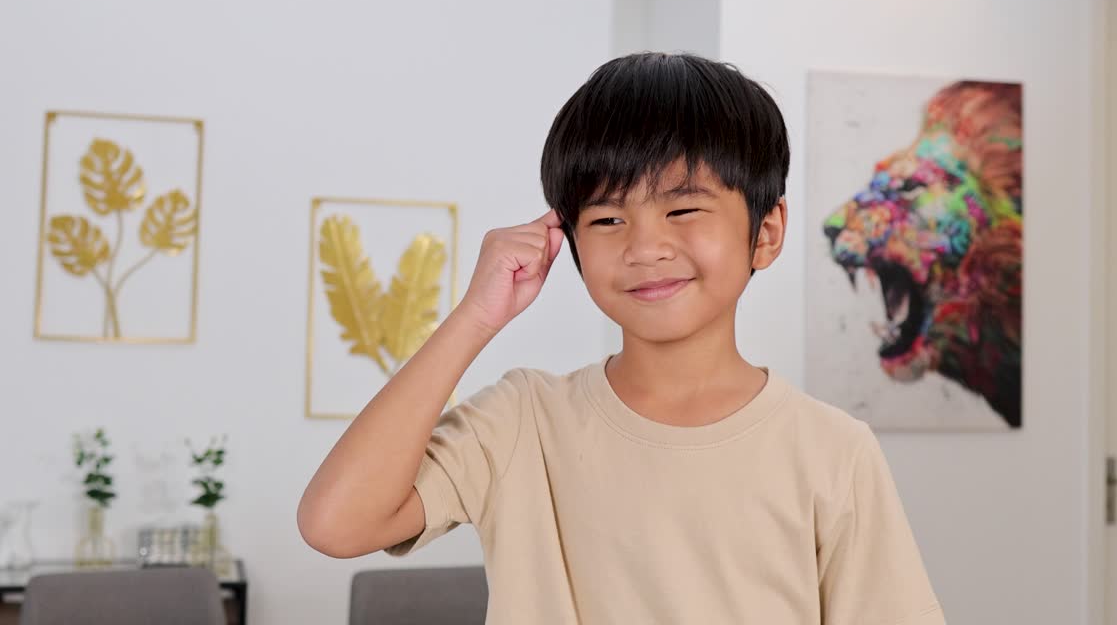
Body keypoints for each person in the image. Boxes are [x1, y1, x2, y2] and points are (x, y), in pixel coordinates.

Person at [298, 52, 945, 624]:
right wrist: (475, 317)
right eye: (607, 217)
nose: (644, 246)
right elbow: (336, 523)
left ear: (767, 232)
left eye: (683, 208)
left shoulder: (832, 451)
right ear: (570, 240)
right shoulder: (524, 419)